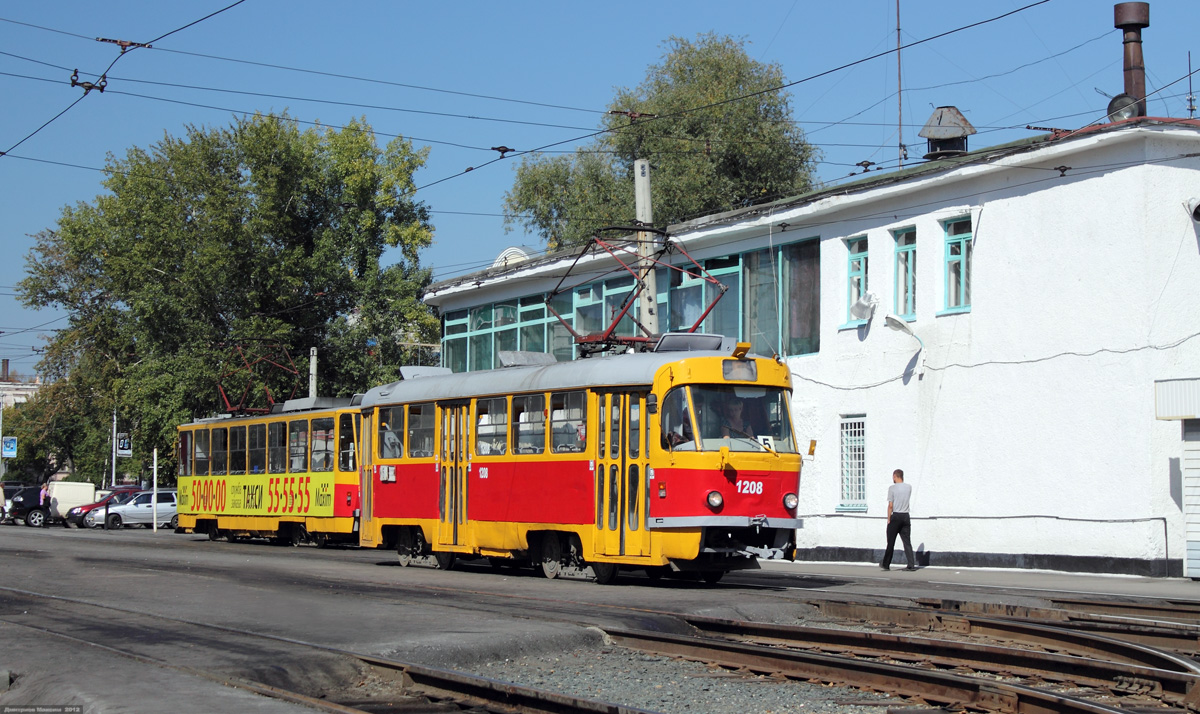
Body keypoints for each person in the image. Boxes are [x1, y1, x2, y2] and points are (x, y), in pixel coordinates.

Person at [880, 469, 916, 571]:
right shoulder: (909, 487)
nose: (893, 479)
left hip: (896, 516)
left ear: (895, 476)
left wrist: (888, 518)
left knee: (891, 541)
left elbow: (890, 505)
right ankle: (911, 564)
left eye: (893, 477)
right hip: (905, 516)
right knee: (907, 541)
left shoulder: (892, 488)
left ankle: (886, 564)